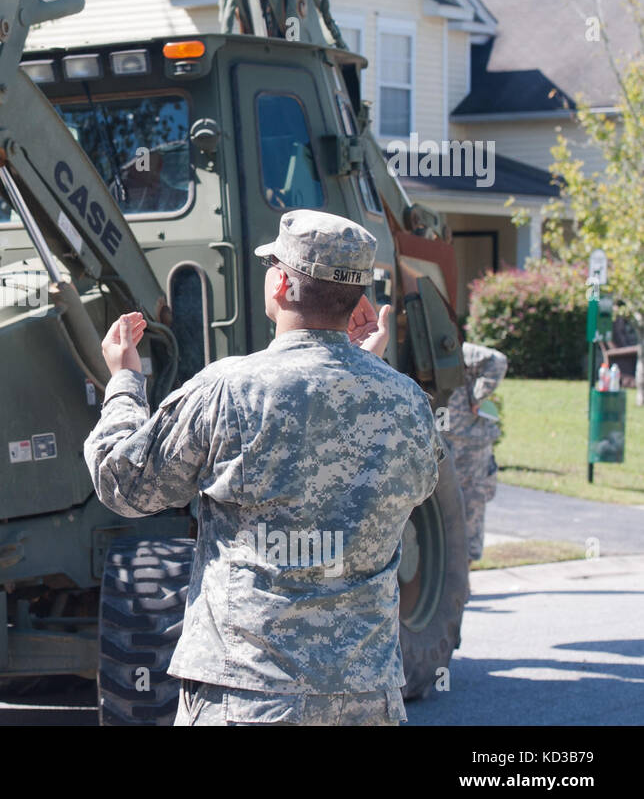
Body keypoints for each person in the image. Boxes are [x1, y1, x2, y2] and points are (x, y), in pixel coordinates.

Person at [84, 209, 444, 726]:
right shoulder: (406, 402)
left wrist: (124, 383)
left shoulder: (229, 389)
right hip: (369, 698)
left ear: (279, 283)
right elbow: (414, 486)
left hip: (250, 695)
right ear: (358, 299)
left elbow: (123, 484)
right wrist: (365, 370)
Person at [442, 341, 508, 562]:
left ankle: (467, 574)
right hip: (444, 441)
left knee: (472, 506)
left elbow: (497, 361)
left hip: (472, 445)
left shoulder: (457, 350)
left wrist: (477, 397)